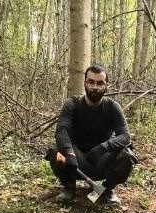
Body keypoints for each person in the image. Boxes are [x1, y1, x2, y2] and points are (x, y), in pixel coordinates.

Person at [47, 64, 134, 205]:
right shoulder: (72, 104)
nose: (95, 87)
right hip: (75, 160)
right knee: (56, 152)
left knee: (127, 155)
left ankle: (106, 190)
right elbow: (61, 130)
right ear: (85, 82)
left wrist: (103, 147)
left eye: (100, 83)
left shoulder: (113, 107)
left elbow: (125, 136)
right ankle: (69, 188)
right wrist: (69, 154)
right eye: (91, 82)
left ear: (106, 86)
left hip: (101, 159)